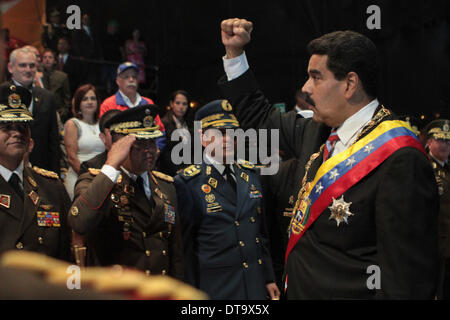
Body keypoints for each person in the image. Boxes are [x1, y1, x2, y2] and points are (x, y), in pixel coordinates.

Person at [218, 18, 439, 299]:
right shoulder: (316, 130)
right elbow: (260, 118)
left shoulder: (401, 158)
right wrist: (235, 54)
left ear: (349, 84)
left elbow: (406, 283)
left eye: (316, 76)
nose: (306, 88)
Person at [174, 100, 279, 300]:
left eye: (232, 133)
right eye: (219, 133)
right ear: (203, 138)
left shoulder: (251, 173)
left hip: (254, 285)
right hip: (216, 288)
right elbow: (185, 251)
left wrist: (268, 277)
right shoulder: (188, 183)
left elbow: (260, 233)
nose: (227, 139)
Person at [68, 105, 183, 279]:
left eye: (152, 142)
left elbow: (176, 251)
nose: (149, 150)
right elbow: (79, 222)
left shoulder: (165, 185)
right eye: (140, 143)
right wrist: (111, 165)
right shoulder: (98, 180)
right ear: (118, 147)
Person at [0, 84, 71, 261]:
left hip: (44, 288)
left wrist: (73, 288)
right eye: (7, 127)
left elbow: (68, 255)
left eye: (23, 126)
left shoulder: (51, 188)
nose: (17, 133)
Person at [1, 47, 61, 175]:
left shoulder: (48, 97)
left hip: (41, 168)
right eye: (23, 65)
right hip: (6, 169)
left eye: (32, 66)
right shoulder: (1, 94)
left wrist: (55, 174)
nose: (28, 70)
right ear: (10, 67)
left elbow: (53, 140)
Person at [99, 61, 165, 151]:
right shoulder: (108, 104)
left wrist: (157, 150)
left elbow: (160, 131)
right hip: (120, 156)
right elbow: (106, 136)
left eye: (134, 76)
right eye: (126, 77)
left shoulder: (148, 103)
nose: (131, 79)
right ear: (118, 81)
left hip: (147, 156)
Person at [64, 84, 105, 200]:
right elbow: (71, 158)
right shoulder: (73, 124)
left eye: (93, 98)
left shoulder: (102, 124)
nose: (90, 102)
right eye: (85, 99)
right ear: (78, 103)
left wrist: (99, 179)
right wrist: (88, 177)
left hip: (101, 179)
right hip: (79, 178)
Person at [424, 119, 450, 299]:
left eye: (448, 141)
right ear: (429, 142)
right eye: (440, 140)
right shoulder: (423, 167)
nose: (445, 145)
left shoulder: (447, 168)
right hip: (433, 245)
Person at [158, 90, 193, 176]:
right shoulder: (163, 123)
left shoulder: (190, 123)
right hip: (169, 172)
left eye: (184, 104)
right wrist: (176, 169)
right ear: (171, 104)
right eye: (178, 103)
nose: (181, 107)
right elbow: (163, 151)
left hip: (188, 170)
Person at [79, 109, 122, 175]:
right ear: (103, 138)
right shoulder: (90, 166)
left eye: (124, 131)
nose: (120, 136)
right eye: (114, 132)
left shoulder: (138, 159)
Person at [41, 49, 72, 123]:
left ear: (55, 60)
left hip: (58, 112)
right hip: (42, 112)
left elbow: (67, 97)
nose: (47, 59)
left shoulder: (62, 76)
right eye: (45, 57)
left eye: (50, 57)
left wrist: (64, 111)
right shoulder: (38, 76)